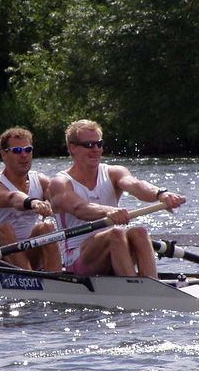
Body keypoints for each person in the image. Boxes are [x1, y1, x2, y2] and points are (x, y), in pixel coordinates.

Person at [49, 119, 186, 278]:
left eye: (98, 144)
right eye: (89, 145)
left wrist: (161, 194)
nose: (96, 150)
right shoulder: (60, 183)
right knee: (116, 233)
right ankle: (133, 289)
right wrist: (109, 211)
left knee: (139, 232)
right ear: (72, 148)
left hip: (115, 249)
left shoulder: (114, 173)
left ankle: (151, 285)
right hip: (78, 258)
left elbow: (136, 185)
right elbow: (79, 209)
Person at [0, 127, 62, 272]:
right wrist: (33, 202)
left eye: (28, 150)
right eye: (17, 151)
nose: (24, 155)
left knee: (47, 227)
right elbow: (12, 197)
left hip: (27, 251)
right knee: (4, 229)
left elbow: (60, 198)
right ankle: (30, 279)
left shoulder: (41, 181)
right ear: (4, 155)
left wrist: (51, 204)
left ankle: (57, 280)